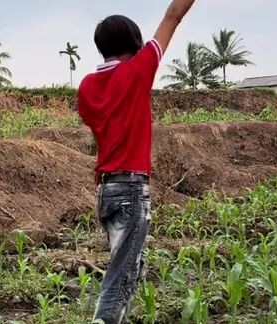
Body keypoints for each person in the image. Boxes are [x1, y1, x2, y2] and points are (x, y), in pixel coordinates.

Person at [76, 1, 197, 323]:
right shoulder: (138, 71)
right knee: (122, 274)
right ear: (135, 43)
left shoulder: (86, 86)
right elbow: (173, 15)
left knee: (131, 267)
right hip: (130, 189)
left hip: (106, 190)